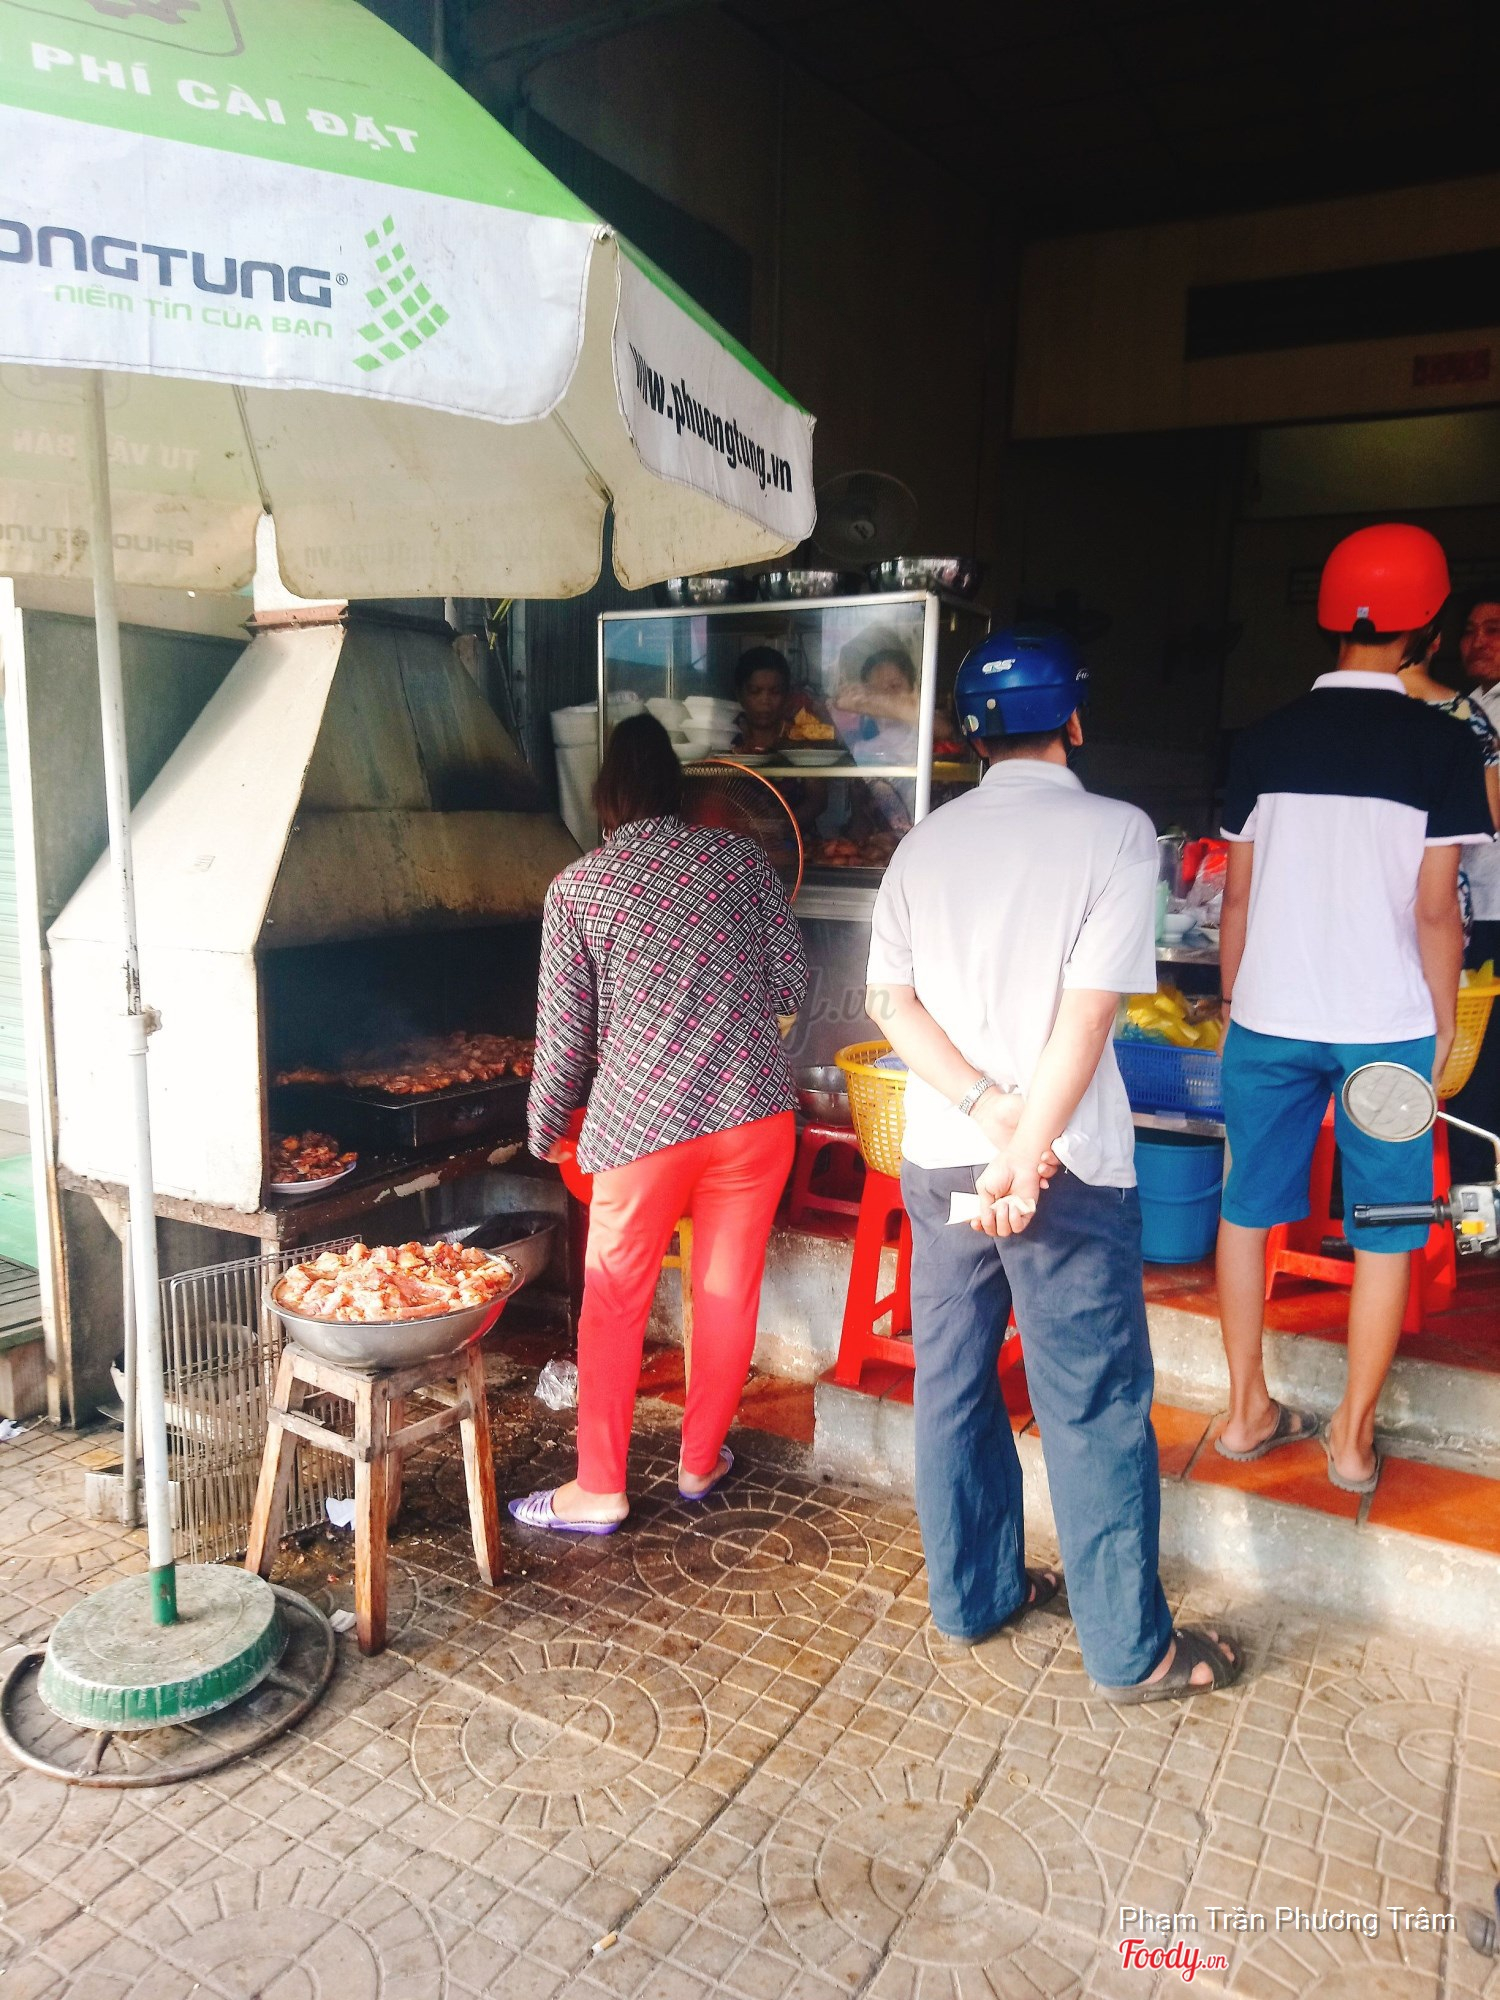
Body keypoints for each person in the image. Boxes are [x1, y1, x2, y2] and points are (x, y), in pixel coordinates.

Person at [866, 626, 1241, 1703]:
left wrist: (986, 1120)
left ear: (968, 737)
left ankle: (972, 1596)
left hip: (946, 1159)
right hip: (1065, 1169)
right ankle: (1131, 1652)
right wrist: (1025, 1155)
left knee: (953, 1382)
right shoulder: (1116, 832)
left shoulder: (922, 844)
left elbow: (890, 1002)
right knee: (1092, 1400)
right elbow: (1086, 1018)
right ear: (1074, 720)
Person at [1215, 524, 1492, 1492]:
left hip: (1268, 1016)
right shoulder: (1444, 744)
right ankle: (1350, 1438)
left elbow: (1237, 898)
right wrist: (1443, 1021)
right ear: (1428, 629)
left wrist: (1235, 1000)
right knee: (1387, 1224)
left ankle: (1245, 1413)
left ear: (1333, 620)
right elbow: (1436, 910)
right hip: (1386, 1025)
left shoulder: (1263, 738)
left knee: (1246, 1210)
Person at [515, 713, 807, 1531]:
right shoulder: (739, 861)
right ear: (677, 791)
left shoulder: (578, 888)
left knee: (613, 1303)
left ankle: (600, 1488)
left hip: (641, 1127)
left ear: (606, 799)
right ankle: (699, 1460)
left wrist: (545, 1130)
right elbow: (789, 985)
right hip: (753, 1113)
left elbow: (564, 1039)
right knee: (726, 1291)